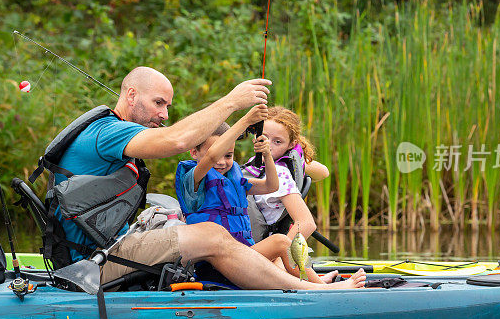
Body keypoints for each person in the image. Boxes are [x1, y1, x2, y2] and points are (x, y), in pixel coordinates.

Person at [55, 66, 365, 290]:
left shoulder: (114, 133)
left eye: (167, 106)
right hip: (90, 266)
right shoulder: (109, 132)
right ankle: (316, 291)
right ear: (132, 95)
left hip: (109, 250)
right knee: (211, 233)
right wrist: (234, 102)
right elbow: (178, 141)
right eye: (158, 104)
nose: (164, 115)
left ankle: (284, 276)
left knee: (189, 225)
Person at [174, 107, 334, 284]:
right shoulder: (193, 179)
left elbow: (271, 185)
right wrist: (245, 121)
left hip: (240, 257)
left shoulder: (235, 182)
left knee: (281, 241)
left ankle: (316, 284)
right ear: (194, 152)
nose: (221, 162)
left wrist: (266, 153)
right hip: (215, 265)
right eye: (218, 154)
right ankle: (322, 288)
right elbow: (211, 157)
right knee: (281, 242)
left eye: (228, 155)